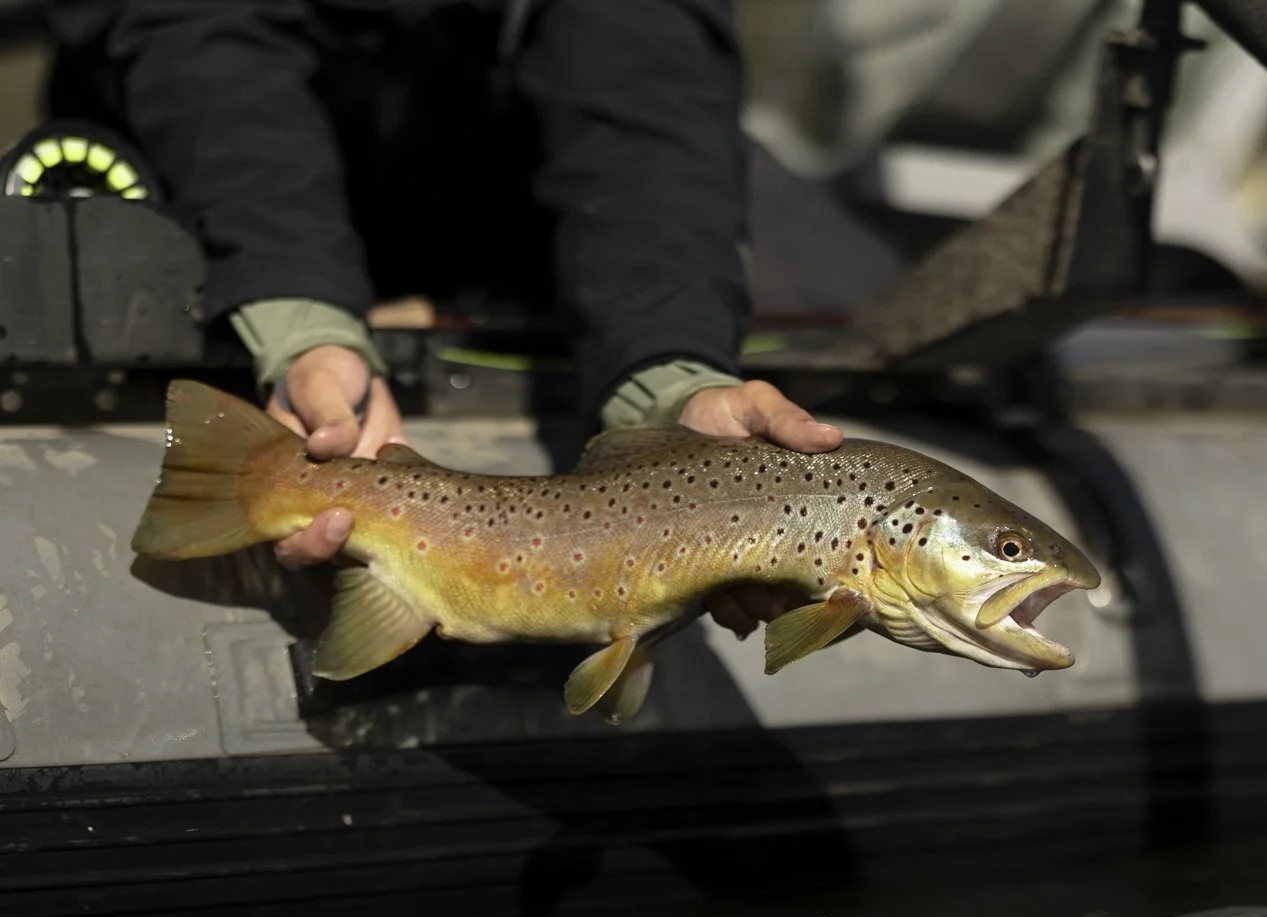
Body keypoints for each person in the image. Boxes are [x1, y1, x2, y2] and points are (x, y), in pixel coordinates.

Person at [42, 0, 842, 640]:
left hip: (505, 220)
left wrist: (670, 380)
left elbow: (647, 82)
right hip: (212, 196)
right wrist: (299, 323)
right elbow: (200, 38)